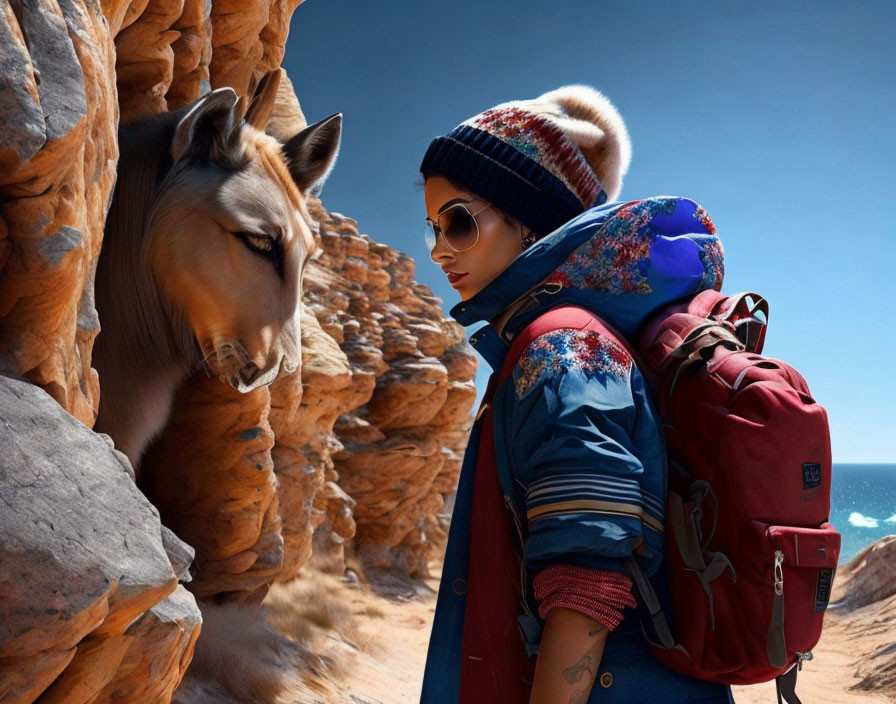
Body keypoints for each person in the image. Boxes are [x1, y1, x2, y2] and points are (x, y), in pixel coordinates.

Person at [418, 85, 734, 704]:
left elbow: (586, 583)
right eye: (432, 227)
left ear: (530, 217)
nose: (437, 250)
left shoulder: (559, 349)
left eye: (458, 221)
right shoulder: (570, 339)